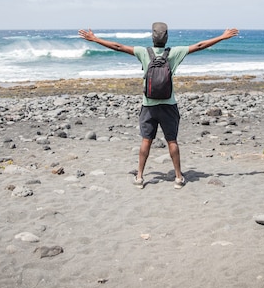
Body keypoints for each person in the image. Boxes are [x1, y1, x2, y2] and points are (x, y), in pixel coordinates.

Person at [78, 23, 239, 189]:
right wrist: (222, 36)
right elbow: (199, 45)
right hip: (169, 105)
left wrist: (94, 38)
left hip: (148, 106)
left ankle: (140, 177)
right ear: (167, 37)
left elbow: (118, 46)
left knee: (146, 141)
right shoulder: (174, 52)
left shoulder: (143, 52)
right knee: (172, 141)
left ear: (152, 37)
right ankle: (178, 177)